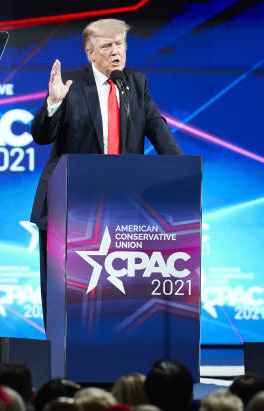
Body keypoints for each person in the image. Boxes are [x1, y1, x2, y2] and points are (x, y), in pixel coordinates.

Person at [30, 18, 183, 325]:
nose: (116, 52)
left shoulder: (136, 85)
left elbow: (156, 126)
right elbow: (42, 136)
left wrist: (182, 170)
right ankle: (58, 359)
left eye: (120, 44)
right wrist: (54, 103)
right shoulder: (71, 85)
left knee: (117, 296)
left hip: (122, 208)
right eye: (107, 46)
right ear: (91, 53)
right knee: (64, 296)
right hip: (70, 205)